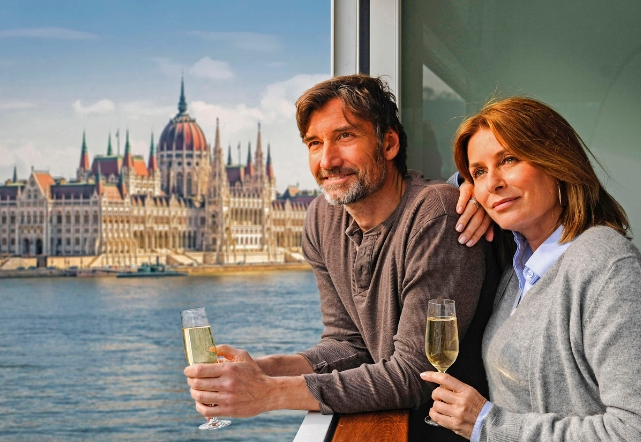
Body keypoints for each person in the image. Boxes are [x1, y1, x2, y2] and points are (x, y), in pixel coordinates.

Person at [184, 74, 500, 440]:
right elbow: (347, 344)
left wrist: (270, 393)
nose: (328, 160)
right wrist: (265, 368)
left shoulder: (436, 215)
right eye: (314, 143)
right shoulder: (322, 217)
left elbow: (416, 374)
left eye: (345, 136)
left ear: (389, 143)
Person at [422, 97, 641, 441]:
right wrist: (465, 185)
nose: (492, 184)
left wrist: (488, 424)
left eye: (510, 159)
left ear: (556, 161)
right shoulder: (520, 267)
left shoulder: (607, 266)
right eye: (480, 172)